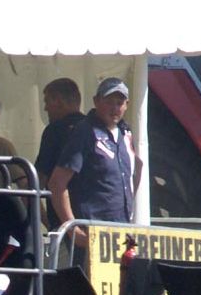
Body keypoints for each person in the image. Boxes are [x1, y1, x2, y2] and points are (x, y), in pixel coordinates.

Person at [49, 77, 142, 251]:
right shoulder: (84, 131)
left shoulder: (126, 132)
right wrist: (73, 229)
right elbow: (57, 183)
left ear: (127, 105)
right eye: (109, 102)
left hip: (122, 231)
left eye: (119, 103)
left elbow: (136, 170)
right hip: (91, 232)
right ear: (96, 101)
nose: (115, 108)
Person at [34, 78, 87, 230]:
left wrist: (47, 222)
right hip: (94, 218)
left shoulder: (55, 130)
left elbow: (38, 180)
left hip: (63, 222)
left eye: (47, 102)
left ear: (58, 101)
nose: (45, 108)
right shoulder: (95, 129)